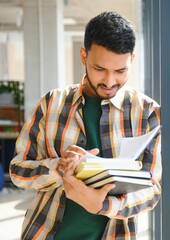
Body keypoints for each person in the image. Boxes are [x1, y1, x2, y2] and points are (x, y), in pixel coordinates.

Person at [10, 11, 162, 240]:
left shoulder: (147, 112)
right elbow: (18, 171)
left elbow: (152, 190)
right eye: (99, 69)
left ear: (132, 58)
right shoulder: (51, 103)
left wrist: (103, 206)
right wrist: (58, 167)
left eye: (120, 71)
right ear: (84, 56)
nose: (110, 81)